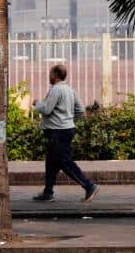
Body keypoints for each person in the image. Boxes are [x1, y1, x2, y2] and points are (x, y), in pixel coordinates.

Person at [32, 64, 98, 202]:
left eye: (50, 74)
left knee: (64, 162)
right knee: (51, 162)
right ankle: (48, 192)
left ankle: (89, 186)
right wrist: (68, 119)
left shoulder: (56, 90)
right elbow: (80, 110)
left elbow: (46, 109)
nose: (49, 76)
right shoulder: (70, 89)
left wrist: (37, 103)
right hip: (67, 129)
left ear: (55, 75)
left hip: (57, 132)